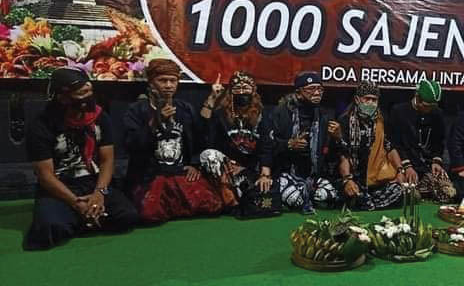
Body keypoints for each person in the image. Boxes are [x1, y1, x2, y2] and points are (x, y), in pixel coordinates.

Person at [25, 68, 139, 250]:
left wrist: (100, 193)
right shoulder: (41, 124)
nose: (87, 98)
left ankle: (83, 217)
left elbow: (107, 160)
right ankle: (86, 216)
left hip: (93, 181)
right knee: (50, 228)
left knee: (128, 216)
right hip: (60, 185)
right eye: (81, 94)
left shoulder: (100, 117)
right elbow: (45, 176)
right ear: (62, 97)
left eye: (89, 91)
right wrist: (76, 203)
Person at [123, 58, 223, 222]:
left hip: (179, 172)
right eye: (162, 80)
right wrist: (156, 122)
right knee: (149, 213)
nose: (168, 85)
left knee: (212, 204)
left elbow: (200, 137)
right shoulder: (137, 111)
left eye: (173, 81)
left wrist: (194, 164)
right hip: (151, 176)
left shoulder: (184, 109)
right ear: (151, 82)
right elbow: (132, 145)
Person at [198, 71, 281, 218]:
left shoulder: (262, 116)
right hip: (226, 168)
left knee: (261, 195)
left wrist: (265, 175)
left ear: (253, 91)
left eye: (246, 88)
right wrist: (212, 98)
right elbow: (204, 128)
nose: (242, 92)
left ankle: (235, 198)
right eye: (237, 89)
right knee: (208, 155)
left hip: (249, 171)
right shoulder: (221, 114)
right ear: (231, 92)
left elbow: (266, 147)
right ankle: (230, 201)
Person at [271, 71, 341, 215]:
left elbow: (332, 156)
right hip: (286, 172)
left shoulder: (324, 116)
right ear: (298, 93)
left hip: (313, 176)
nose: (317, 93)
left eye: (320, 89)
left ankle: (306, 193)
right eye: (311, 89)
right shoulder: (282, 113)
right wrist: (289, 144)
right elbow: (267, 146)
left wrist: (337, 138)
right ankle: (298, 194)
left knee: (328, 196)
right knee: (296, 200)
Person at [337, 81, 404, 210]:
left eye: (374, 100)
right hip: (352, 178)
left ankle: (365, 202)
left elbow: (390, 147)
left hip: (376, 180)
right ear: (357, 99)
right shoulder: (344, 121)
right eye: (367, 99)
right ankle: (363, 200)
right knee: (327, 194)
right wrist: (347, 179)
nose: (371, 103)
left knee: (398, 191)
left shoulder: (382, 120)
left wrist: (400, 171)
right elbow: (343, 154)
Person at [388, 79, 455, 202]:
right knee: (410, 195)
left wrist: (436, 161)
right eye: (426, 106)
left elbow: (439, 142)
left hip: (427, 165)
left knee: (448, 192)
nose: (429, 110)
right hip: (403, 163)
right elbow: (394, 144)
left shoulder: (437, 113)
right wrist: (406, 166)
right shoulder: (399, 111)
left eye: (433, 106)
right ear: (417, 98)